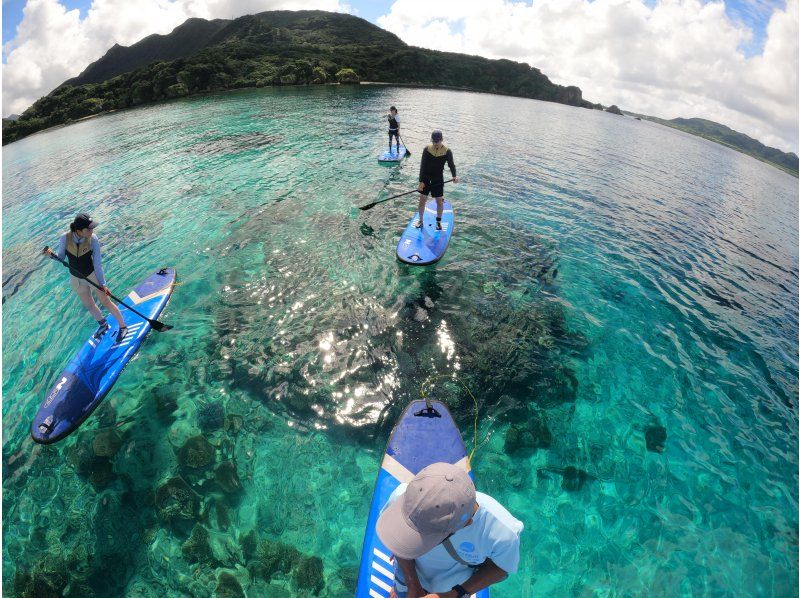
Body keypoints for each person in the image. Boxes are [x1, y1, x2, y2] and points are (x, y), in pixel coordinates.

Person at [376, 462, 523, 598]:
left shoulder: (503, 533)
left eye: (424, 535)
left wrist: (455, 594)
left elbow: (500, 568)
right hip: (408, 571)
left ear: (466, 524)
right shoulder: (401, 498)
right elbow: (398, 541)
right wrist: (411, 583)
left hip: (453, 586)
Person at [42, 213, 127, 343]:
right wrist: (50, 255)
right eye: (89, 229)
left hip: (92, 275)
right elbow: (61, 257)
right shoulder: (65, 238)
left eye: (92, 228)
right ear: (78, 231)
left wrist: (103, 284)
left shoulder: (93, 239)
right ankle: (103, 324)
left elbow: (97, 263)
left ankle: (123, 326)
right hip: (75, 278)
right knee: (89, 305)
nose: (92, 231)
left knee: (105, 301)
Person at [417, 131, 458, 231]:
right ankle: (421, 220)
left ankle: (438, 222)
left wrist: (454, 176)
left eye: (437, 141)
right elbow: (423, 166)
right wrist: (421, 181)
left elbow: (451, 165)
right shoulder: (427, 149)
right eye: (434, 141)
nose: (435, 143)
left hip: (438, 179)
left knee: (439, 202)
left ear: (441, 140)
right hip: (426, 179)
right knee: (422, 200)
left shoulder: (447, 151)